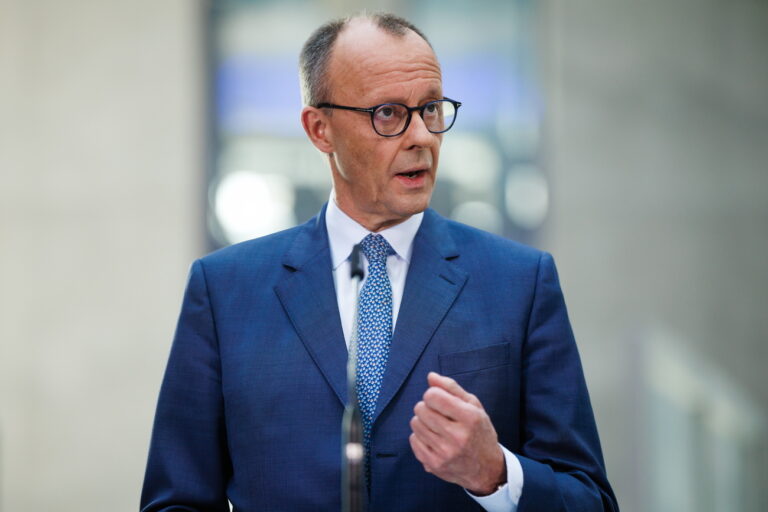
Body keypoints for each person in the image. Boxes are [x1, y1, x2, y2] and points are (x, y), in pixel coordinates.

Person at [140, 12, 618, 512]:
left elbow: (591, 500)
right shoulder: (223, 290)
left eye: (431, 109)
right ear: (320, 129)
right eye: (388, 114)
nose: (423, 138)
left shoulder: (521, 283)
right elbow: (176, 502)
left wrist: (496, 473)